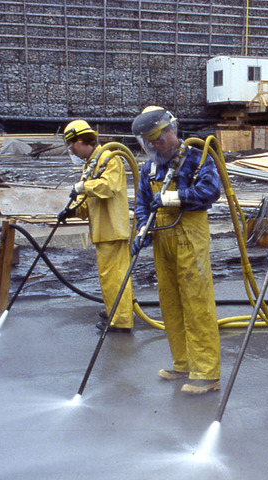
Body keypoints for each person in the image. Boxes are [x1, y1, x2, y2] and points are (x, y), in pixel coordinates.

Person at [130, 106, 221, 395]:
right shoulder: (150, 167)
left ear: (172, 130)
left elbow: (210, 192)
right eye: (149, 142)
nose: (155, 146)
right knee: (170, 302)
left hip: (189, 235)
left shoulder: (197, 157)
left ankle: (206, 373)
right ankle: (182, 363)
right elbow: (143, 203)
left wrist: (173, 197)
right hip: (162, 238)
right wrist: (142, 229)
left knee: (196, 304)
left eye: (158, 139)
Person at [59, 119, 134, 333]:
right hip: (102, 229)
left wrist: (83, 186)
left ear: (82, 141)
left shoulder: (110, 158)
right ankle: (115, 310)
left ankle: (121, 321)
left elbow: (108, 187)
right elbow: (87, 200)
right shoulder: (90, 164)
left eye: (72, 146)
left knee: (115, 276)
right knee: (108, 277)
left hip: (112, 228)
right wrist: (71, 210)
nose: (72, 151)